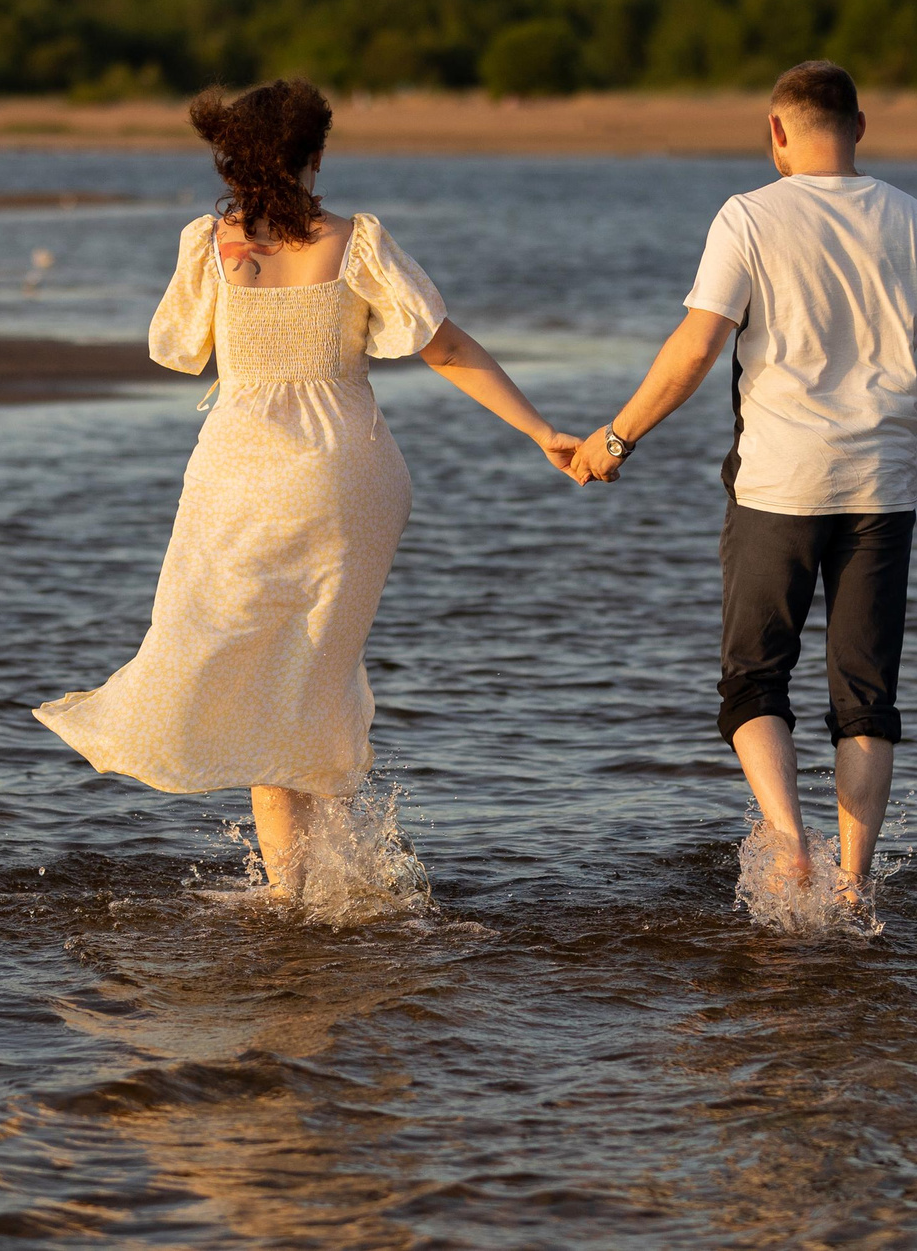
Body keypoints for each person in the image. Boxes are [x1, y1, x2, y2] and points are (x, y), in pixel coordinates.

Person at [36, 79, 579, 897]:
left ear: (232, 158)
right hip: (348, 479)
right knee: (311, 677)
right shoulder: (355, 241)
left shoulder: (211, 244)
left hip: (242, 477)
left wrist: (223, 273)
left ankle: (296, 899)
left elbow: (177, 348)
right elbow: (444, 345)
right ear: (314, 155)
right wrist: (542, 431)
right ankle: (341, 887)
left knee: (252, 683)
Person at [570, 60, 917, 908]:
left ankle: (789, 840)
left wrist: (617, 436)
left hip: (777, 486)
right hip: (885, 488)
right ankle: (851, 881)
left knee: (754, 681)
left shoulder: (748, 217)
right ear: (861, 126)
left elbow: (697, 348)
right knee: (866, 697)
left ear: (777, 131)